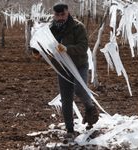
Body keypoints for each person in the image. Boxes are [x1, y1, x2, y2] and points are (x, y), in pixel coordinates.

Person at [34, 2, 99, 137]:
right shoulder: (50, 29)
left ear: (67, 12)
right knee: (66, 98)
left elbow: (83, 46)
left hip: (79, 64)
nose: (60, 17)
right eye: (57, 15)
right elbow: (43, 44)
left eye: (63, 14)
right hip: (62, 68)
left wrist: (67, 49)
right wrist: (38, 51)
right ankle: (70, 130)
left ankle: (90, 108)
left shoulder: (78, 27)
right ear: (54, 15)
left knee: (80, 89)